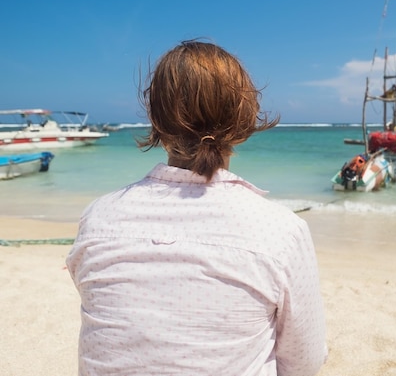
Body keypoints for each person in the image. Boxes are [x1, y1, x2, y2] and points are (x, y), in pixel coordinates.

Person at [66, 40, 328, 376]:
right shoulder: (280, 231)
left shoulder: (99, 217)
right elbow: (304, 362)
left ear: (156, 115)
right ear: (242, 117)